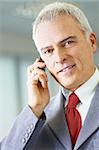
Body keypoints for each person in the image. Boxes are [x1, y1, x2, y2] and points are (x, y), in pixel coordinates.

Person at [0, 2, 99, 150]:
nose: (59, 57)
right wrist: (35, 107)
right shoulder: (38, 116)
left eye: (67, 43)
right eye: (48, 51)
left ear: (92, 42)